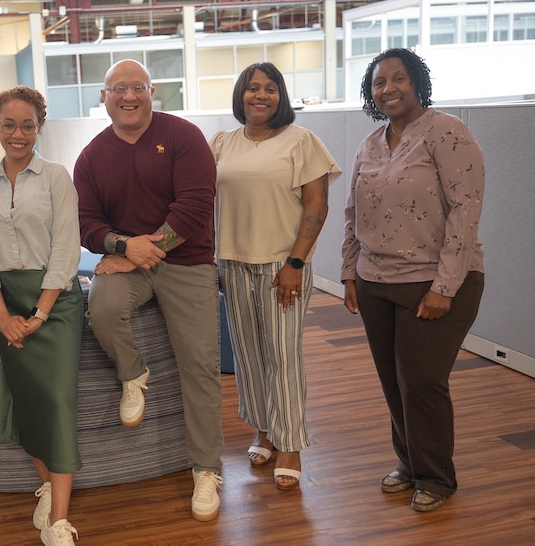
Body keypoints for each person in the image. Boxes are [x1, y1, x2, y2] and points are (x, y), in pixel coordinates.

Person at [73, 59, 225, 522]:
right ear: (104, 97)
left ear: (152, 92)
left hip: (187, 262)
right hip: (130, 261)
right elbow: (85, 223)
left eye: (137, 87)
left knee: (200, 366)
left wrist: (145, 249)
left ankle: (206, 470)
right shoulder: (91, 156)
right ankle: (132, 373)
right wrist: (122, 246)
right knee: (100, 307)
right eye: (118, 88)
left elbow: (196, 202)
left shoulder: (183, 136)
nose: (128, 96)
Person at [341, 48, 485, 513]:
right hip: (375, 279)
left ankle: (437, 477)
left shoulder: (447, 132)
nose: (389, 89)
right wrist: (348, 273)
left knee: (422, 381)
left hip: (434, 281)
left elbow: (466, 212)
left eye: (398, 79)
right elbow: (352, 213)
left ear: (417, 81)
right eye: (379, 82)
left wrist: (445, 286)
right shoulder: (370, 143)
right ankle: (409, 464)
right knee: (394, 382)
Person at [209, 62, 341, 491]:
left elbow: (316, 208)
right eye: (251, 88)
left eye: (269, 88)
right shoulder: (222, 144)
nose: (260, 95)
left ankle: (291, 445)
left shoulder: (302, 142)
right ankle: (264, 430)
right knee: (248, 357)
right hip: (232, 263)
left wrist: (296, 264)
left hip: (282, 266)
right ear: (240, 96)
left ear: (281, 95)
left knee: (283, 357)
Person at [0, 86, 83, 546]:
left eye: (28, 125)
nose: (19, 134)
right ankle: (46, 487)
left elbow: (65, 248)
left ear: (40, 127)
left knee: (56, 402)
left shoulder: (56, 176)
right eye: (9, 125)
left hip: (55, 303)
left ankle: (58, 522)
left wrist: (39, 313)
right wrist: (2, 316)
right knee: (26, 401)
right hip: (6, 304)